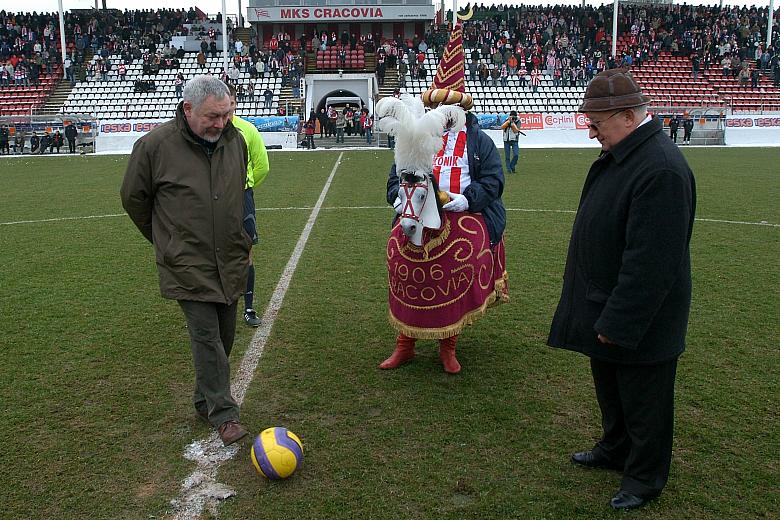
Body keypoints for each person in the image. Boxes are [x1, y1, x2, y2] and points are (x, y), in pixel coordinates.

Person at [548, 68, 696, 511]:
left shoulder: (661, 169)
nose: (591, 132)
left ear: (628, 117)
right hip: (605, 301)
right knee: (611, 385)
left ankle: (645, 475)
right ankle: (615, 448)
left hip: (638, 315)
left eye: (597, 123)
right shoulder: (629, 154)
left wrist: (620, 320)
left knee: (644, 396)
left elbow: (651, 262)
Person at [120, 75, 251, 447]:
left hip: (228, 258)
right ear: (188, 108)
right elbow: (133, 199)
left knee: (224, 336)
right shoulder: (154, 147)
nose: (221, 123)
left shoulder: (235, 142)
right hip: (186, 263)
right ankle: (224, 415)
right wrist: (166, 240)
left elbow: (238, 193)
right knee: (207, 337)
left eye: (227, 115)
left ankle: (202, 400)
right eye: (213, 116)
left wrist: (242, 236)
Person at [381, 21, 507, 374]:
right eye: (438, 109)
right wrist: (398, 198)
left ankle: (447, 344)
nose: (444, 118)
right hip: (418, 211)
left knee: (458, 258)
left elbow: (494, 182)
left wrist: (467, 199)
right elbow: (394, 179)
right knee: (399, 255)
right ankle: (405, 342)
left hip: (464, 211)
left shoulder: (479, 142)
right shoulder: (416, 137)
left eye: (449, 112)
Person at [226, 83, 270, 327]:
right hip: (214, 200)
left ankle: (249, 307)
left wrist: (246, 185)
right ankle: (217, 307)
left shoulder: (247, 130)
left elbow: (261, 165)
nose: (227, 108)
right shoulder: (209, 129)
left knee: (245, 252)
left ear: (235, 102)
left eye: (230, 102)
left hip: (242, 197)